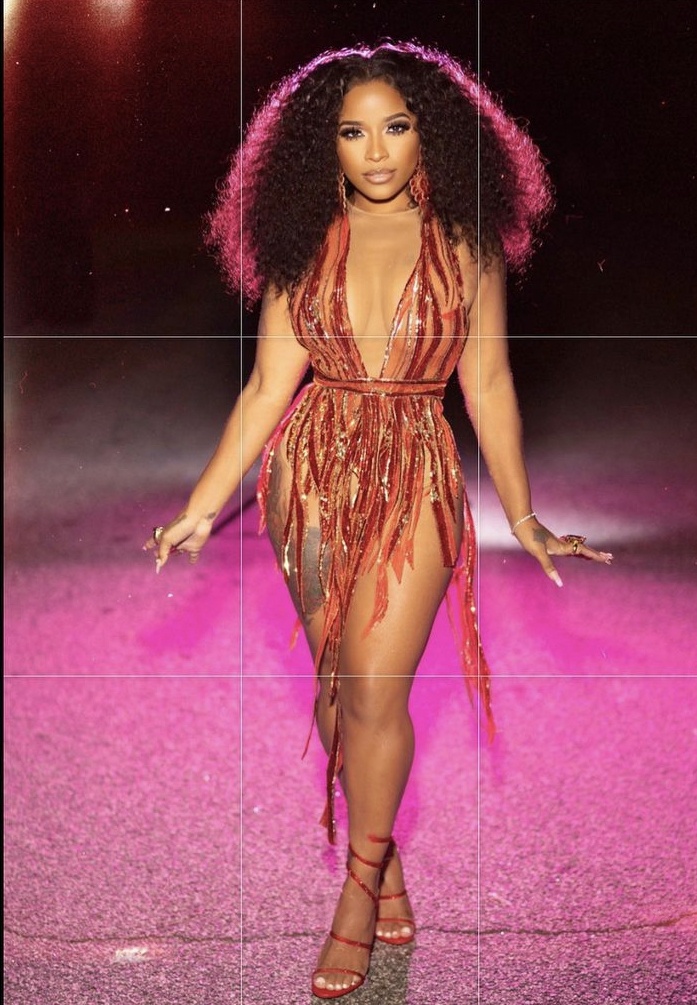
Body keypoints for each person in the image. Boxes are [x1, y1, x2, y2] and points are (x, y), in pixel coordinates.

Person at [144, 42, 613, 1000]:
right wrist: (200, 506)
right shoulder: (301, 241)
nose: (375, 151)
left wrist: (524, 514)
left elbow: (488, 383)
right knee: (336, 684)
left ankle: (356, 894)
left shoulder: (467, 246)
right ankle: (383, 853)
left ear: (431, 134)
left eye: (394, 127)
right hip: (310, 476)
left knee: (372, 689)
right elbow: (268, 387)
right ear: (322, 148)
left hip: (415, 474)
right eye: (351, 133)